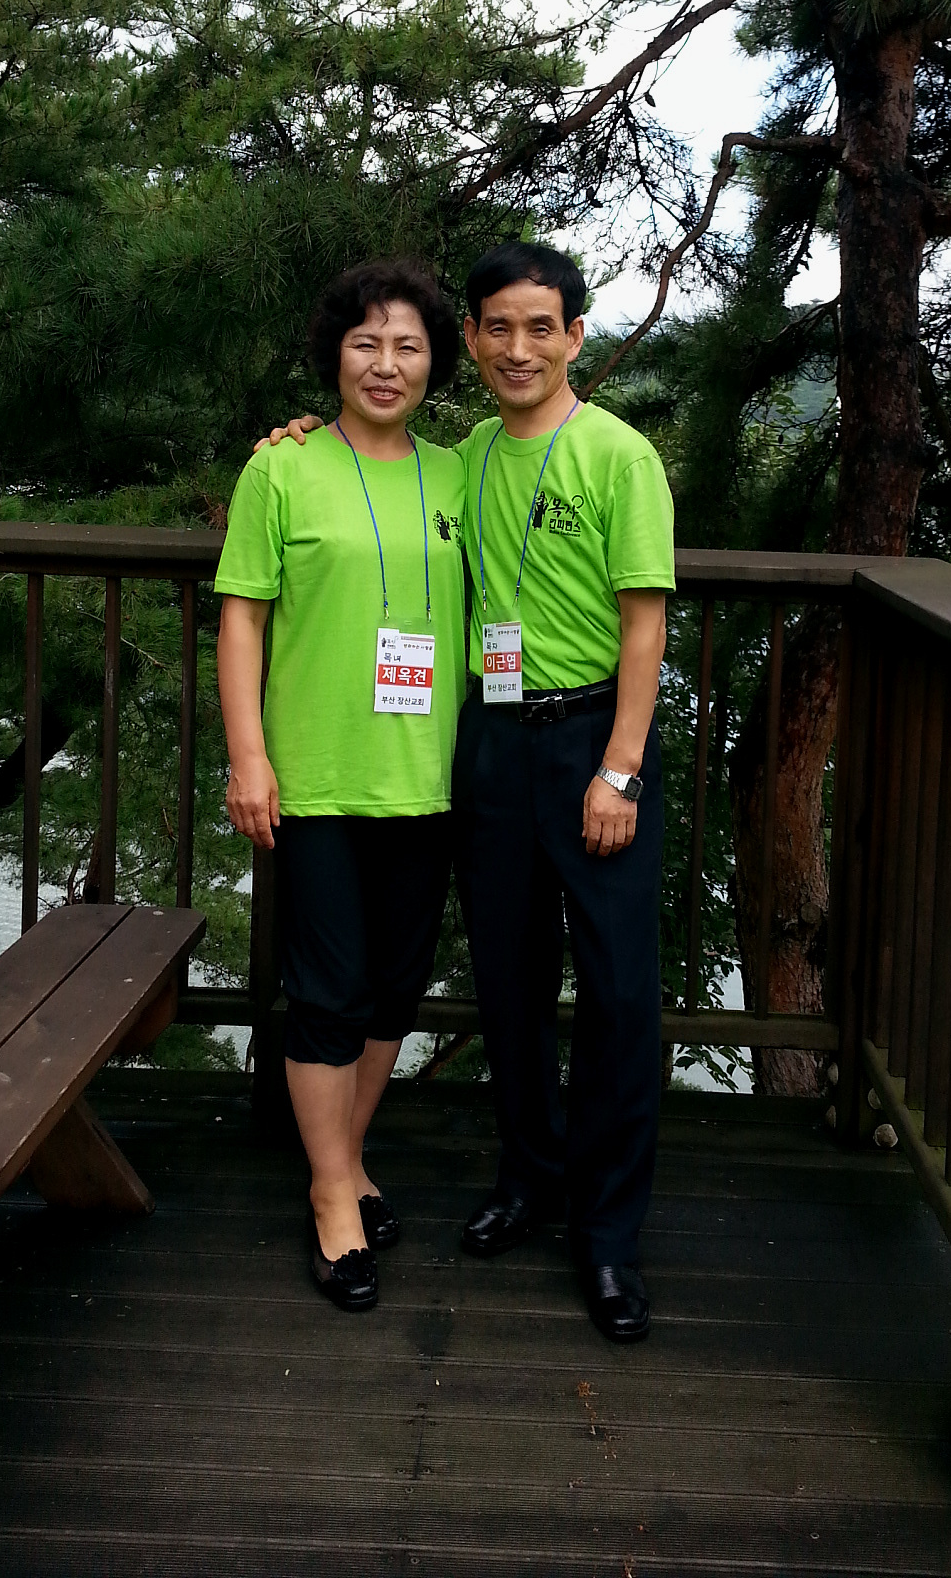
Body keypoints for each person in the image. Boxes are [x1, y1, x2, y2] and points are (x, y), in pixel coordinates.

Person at [263, 241, 674, 1341]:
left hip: (594, 738)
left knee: (618, 994)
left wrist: (621, 766)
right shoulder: (471, 455)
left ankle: (608, 1233)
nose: (518, 347)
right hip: (491, 740)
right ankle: (531, 1176)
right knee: (509, 982)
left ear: (575, 336)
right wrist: (293, 432)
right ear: (477, 341)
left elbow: (645, 623)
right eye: (498, 327)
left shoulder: (619, 455)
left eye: (541, 327)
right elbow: (362, 462)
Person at [215, 259, 467, 1312]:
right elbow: (242, 616)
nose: (386, 363)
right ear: (335, 355)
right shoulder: (282, 468)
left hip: (430, 778)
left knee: (393, 989)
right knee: (327, 989)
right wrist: (249, 756)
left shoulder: (462, 472)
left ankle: (350, 1158)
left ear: (434, 362)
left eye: (408, 344)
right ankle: (331, 1193)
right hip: (314, 776)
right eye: (367, 342)